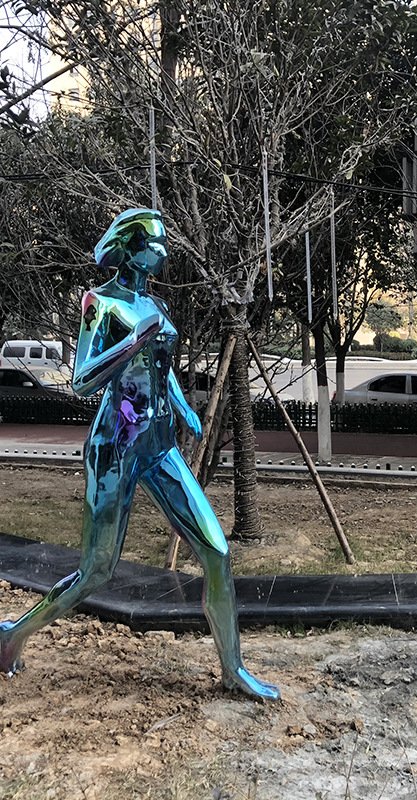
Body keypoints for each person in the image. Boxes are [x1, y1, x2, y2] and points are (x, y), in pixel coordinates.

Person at [0, 208, 280, 700]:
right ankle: (12, 635)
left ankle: (233, 669)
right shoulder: (101, 302)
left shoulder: (155, 304)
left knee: (217, 552)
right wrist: (132, 341)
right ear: (130, 249)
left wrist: (183, 407)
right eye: (155, 243)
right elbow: (83, 380)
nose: (164, 252)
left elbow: (162, 368)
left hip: (158, 444)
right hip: (115, 446)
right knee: (97, 571)